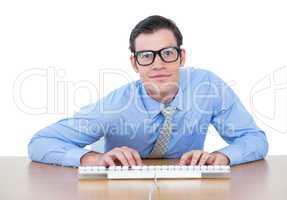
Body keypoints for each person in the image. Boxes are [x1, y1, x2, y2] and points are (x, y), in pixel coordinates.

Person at [28, 15, 268, 168]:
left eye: (167, 53)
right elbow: (40, 142)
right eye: (146, 56)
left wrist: (222, 157)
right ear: (134, 63)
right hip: (117, 188)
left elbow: (254, 139)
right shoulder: (114, 106)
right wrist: (92, 159)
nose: (158, 64)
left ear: (181, 56)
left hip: (186, 188)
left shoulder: (208, 88)